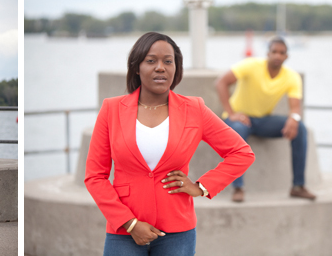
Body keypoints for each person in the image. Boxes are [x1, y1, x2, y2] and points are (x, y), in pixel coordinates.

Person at [85, 32, 255, 255]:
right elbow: (95, 176)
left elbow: (241, 153)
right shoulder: (112, 109)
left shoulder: (194, 109)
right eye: (151, 60)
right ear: (137, 67)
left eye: (168, 61)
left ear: (176, 68)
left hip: (177, 232)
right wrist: (129, 223)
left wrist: (201, 187)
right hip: (124, 232)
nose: (160, 67)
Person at [214, 36, 316, 202]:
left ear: (286, 57)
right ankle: (238, 188)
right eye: (274, 52)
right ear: (267, 53)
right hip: (239, 119)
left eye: (281, 53)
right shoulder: (251, 65)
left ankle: (298, 186)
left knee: (300, 128)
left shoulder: (291, 76)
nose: (277, 56)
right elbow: (221, 83)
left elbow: (295, 106)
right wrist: (231, 113)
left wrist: (294, 118)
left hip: (263, 121)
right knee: (237, 131)